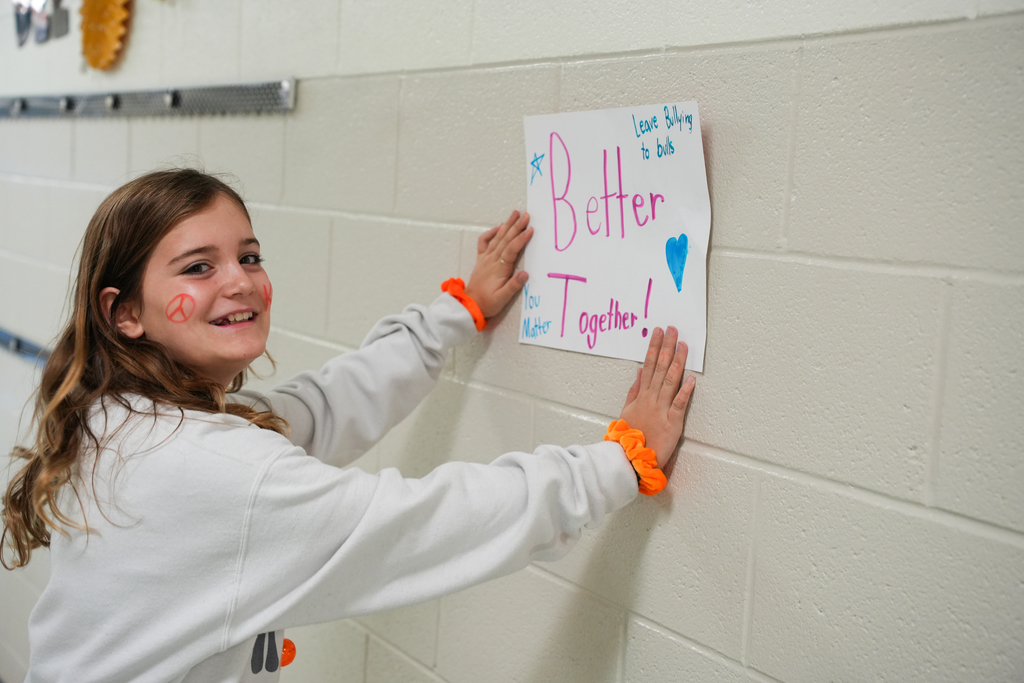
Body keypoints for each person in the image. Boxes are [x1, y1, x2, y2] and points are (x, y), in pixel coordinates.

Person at [1, 168, 696, 682]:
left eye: (248, 255)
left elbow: (322, 404)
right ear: (125, 312)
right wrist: (613, 463)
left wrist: (456, 315)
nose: (240, 281)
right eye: (198, 267)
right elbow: (425, 521)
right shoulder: (209, 468)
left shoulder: (126, 418)